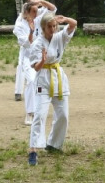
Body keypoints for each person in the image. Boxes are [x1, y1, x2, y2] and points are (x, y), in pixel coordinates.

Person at [27, 13, 77, 166]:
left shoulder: (59, 37)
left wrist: (65, 19)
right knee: (40, 115)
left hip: (58, 77)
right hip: (43, 79)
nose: (52, 29)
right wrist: (43, 60)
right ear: (43, 27)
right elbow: (36, 68)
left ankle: (54, 144)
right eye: (49, 26)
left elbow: (74, 24)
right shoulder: (37, 43)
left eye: (54, 26)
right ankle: (33, 149)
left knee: (63, 115)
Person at [13, 0, 56, 125]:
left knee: (42, 82)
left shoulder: (38, 17)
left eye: (37, 10)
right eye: (34, 11)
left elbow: (53, 9)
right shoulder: (19, 25)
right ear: (27, 12)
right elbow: (27, 43)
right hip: (27, 57)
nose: (37, 13)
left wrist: (41, 1)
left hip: (40, 54)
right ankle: (30, 113)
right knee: (31, 81)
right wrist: (31, 32)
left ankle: (41, 108)